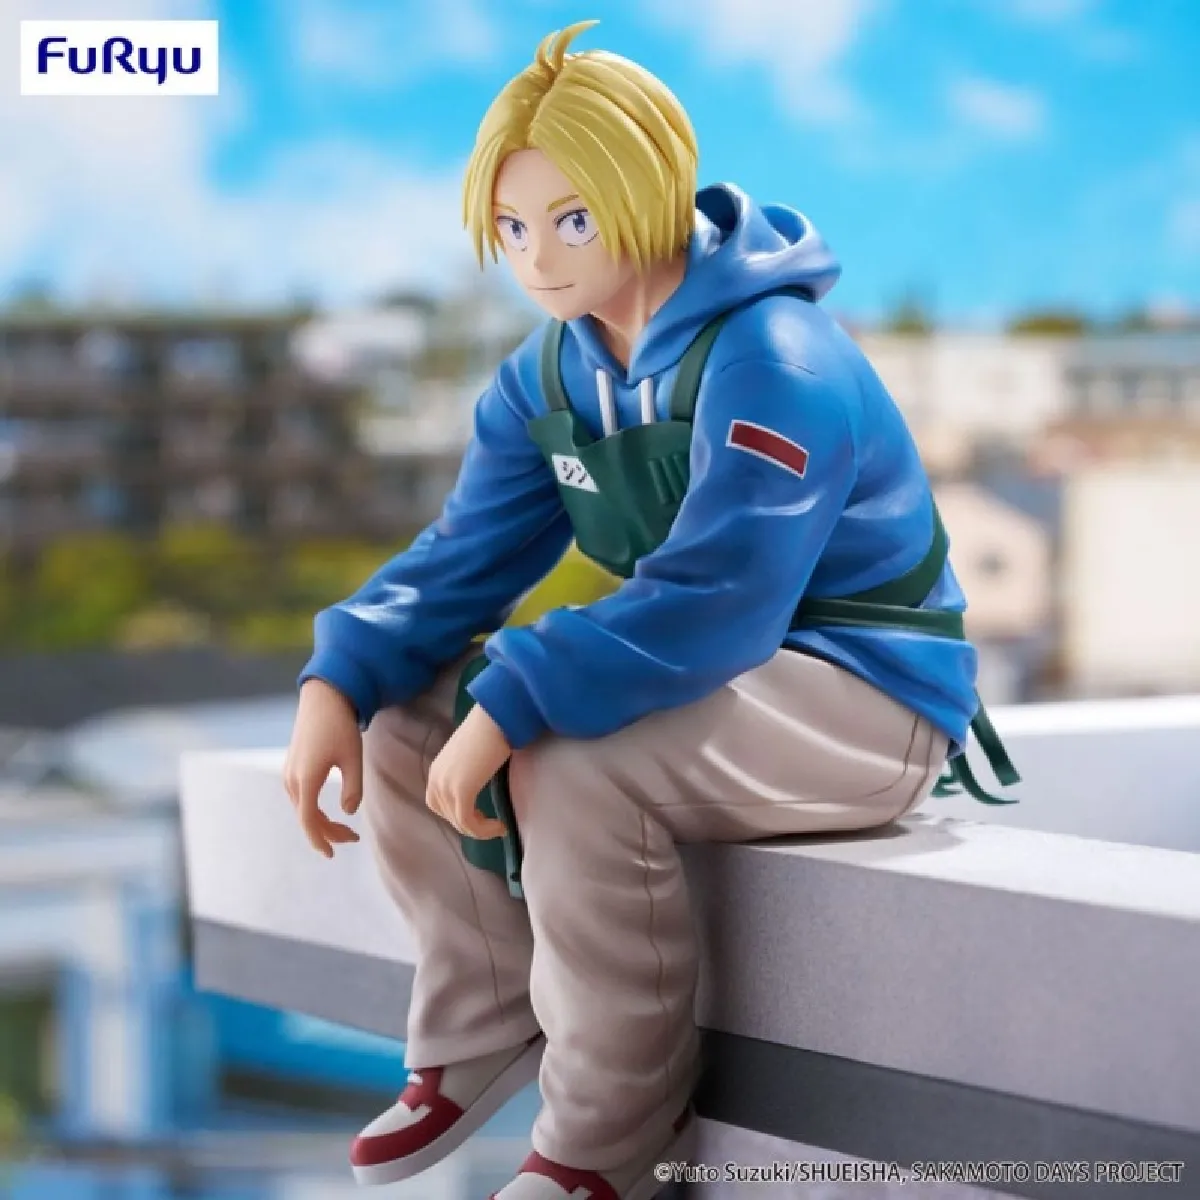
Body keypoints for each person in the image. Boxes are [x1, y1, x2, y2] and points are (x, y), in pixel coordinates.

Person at [282, 19, 1017, 1200]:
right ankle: (481, 1023)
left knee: (571, 762)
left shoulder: (777, 357)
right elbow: (461, 558)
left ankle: (604, 1136)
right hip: (701, 683)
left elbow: (722, 595)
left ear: (649, 193)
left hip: (864, 696)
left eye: (572, 220)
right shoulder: (552, 373)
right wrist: (342, 675)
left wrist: (515, 700)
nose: (539, 258)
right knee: (409, 715)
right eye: (512, 229)